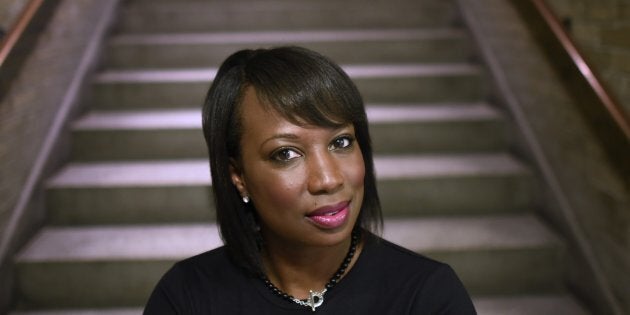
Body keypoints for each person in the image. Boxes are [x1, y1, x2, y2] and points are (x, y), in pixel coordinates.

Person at [144, 46, 476, 314]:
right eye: (286, 154)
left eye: (341, 142)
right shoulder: (186, 298)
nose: (328, 179)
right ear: (238, 176)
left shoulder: (428, 295)